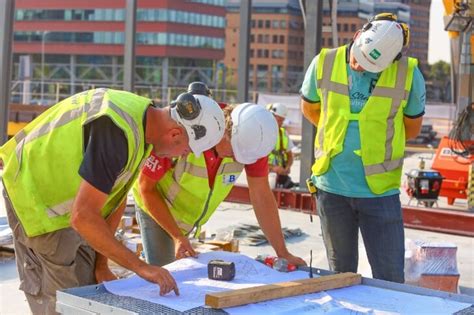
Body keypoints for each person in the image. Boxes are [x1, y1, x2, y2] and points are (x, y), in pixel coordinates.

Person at [0, 87, 225, 314]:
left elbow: (116, 197)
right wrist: (141, 268)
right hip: (35, 194)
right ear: (175, 134)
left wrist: (102, 264)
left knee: (88, 292)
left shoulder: (145, 128)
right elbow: (83, 217)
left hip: (73, 203)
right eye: (186, 150)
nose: (183, 155)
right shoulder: (117, 131)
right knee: (63, 301)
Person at [300, 13, 426, 283]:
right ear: (358, 35)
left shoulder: (408, 73)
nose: (358, 66)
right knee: (340, 276)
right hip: (332, 186)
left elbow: (411, 128)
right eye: (358, 56)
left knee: (390, 279)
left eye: (370, 65)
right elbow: (310, 109)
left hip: (380, 191)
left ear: (391, 60)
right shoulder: (324, 62)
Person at [133, 83, 306, 267]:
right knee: (164, 273)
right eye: (233, 152)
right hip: (156, 206)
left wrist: (282, 252)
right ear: (225, 131)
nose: (235, 159)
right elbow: (146, 189)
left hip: (187, 220)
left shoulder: (251, 141)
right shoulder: (190, 128)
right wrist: (177, 236)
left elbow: (262, 196)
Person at [266, 102, 297, 189]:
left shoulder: (283, 133)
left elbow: (290, 156)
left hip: (280, 175)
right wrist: (272, 168)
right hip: (265, 174)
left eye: (282, 120)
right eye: (279, 120)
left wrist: (287, 167)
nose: (281, 123)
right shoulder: (262, 133)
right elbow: (254, 159)